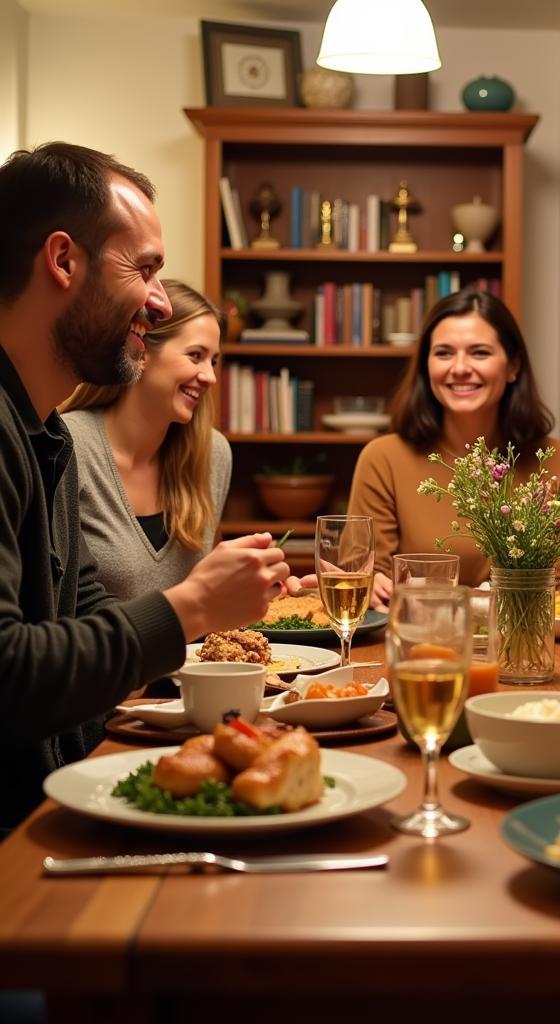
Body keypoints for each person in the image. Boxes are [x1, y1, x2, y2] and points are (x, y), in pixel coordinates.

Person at [0, 142, 289, 831]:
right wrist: (190, 606)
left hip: (62, 799)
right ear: (63, 260)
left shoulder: (46, 439)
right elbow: (9, 677)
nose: (160, 303)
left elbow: (88, 628)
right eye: (146, 270)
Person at [347, 287, 560, 608]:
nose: (459, 368)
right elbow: (362, 577)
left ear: (513, 366)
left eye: (479, 353)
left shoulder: (555, 463)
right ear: (426, 367)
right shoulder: (382, 459)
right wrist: (370, 584)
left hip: (515, 648)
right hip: (418, 646)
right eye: (444, 353)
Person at [59, 280, 231, 599]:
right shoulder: (70, 445)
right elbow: (56, 602)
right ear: (142, 349)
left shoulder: (214, 454)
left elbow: (209, 598)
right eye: (196, 356)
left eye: (214, 361)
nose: (210, 376)